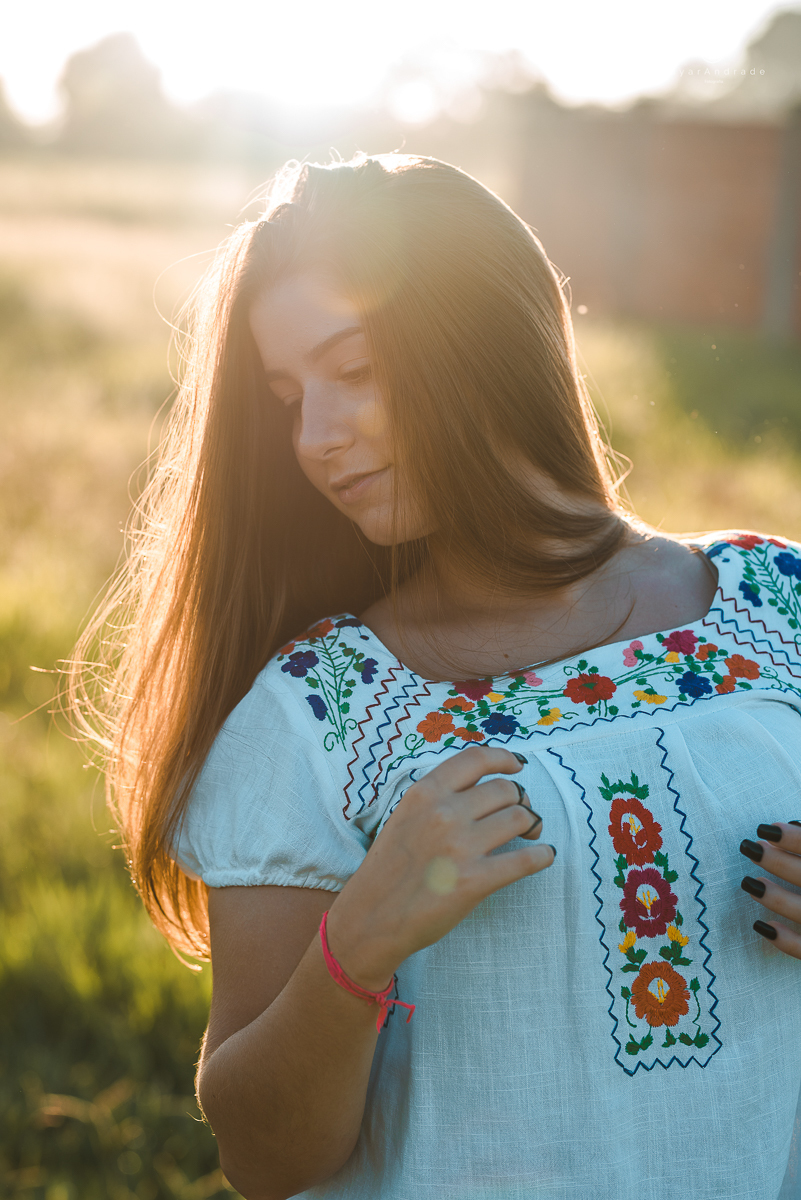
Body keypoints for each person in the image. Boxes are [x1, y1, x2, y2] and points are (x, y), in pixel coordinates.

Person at [72, 153, 801, 1200]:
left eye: (354, 370)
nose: (314, 438)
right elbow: (265, 1159)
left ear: (488, 341)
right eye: (289, 397)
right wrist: (357, 942)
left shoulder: (777, 604)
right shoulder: (321, 707)